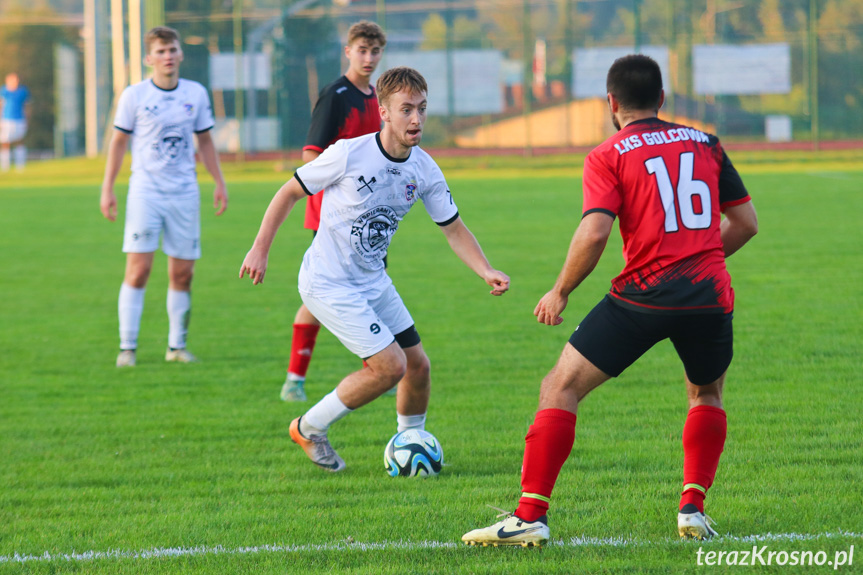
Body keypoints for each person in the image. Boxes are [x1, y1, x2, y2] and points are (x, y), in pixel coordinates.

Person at [461, 54, 758, 547]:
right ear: (662, 99)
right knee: (705, 394)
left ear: (611, 103)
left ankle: (530, 514)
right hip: (709, 297)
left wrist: (560, 291)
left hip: (642, 299)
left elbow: (596, 230)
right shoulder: (707, 143)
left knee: (559, 388)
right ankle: (692, 509)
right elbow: (746, 223)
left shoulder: (609, 152)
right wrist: (698, 258)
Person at [240, 66, 510, 473]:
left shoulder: (424, 168)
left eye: (421, 109)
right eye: (406, 110)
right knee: (390, 366)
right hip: (327, 282)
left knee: (417, 366)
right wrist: (260, 249)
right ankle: (308, 427)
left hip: (372, 280)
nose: (416, 119)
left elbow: (453, 228)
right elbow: (290, 191)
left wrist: (485, 269)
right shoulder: (349, 153)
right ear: (384, 111)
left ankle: (409, 442)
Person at [100, 26, 228, 368]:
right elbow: (118, 143)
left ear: (180, 54)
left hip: (185, 193)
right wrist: (108, 188)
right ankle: (127, 347)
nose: (167, 56)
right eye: (160, 51)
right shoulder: (135, 95)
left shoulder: (196, 94)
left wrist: (219, 182)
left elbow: (205, 142)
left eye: (172, 49)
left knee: (183, 274)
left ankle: (176, 347)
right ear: (149, 58)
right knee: (138, 270)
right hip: (145, 193)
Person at [282, 20, 387, 403]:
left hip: (371, 215)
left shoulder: (377, 96)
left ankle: (378, 364)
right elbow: (311, 156)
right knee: (330, 291)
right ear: (348, 51)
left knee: (367, 286)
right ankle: (298, 377)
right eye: (362, 50)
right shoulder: (336, 95)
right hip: (333, 214)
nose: (369, 58)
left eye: (375, 51)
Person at [0, 72, 31, 172]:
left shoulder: (22, 91)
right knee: (5, 142)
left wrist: (27, 119)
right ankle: (5, 166)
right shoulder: (3, 91)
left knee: (19, 140)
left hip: (19, 119)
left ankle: (20, 166)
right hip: (6, 119)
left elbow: (27, 106)